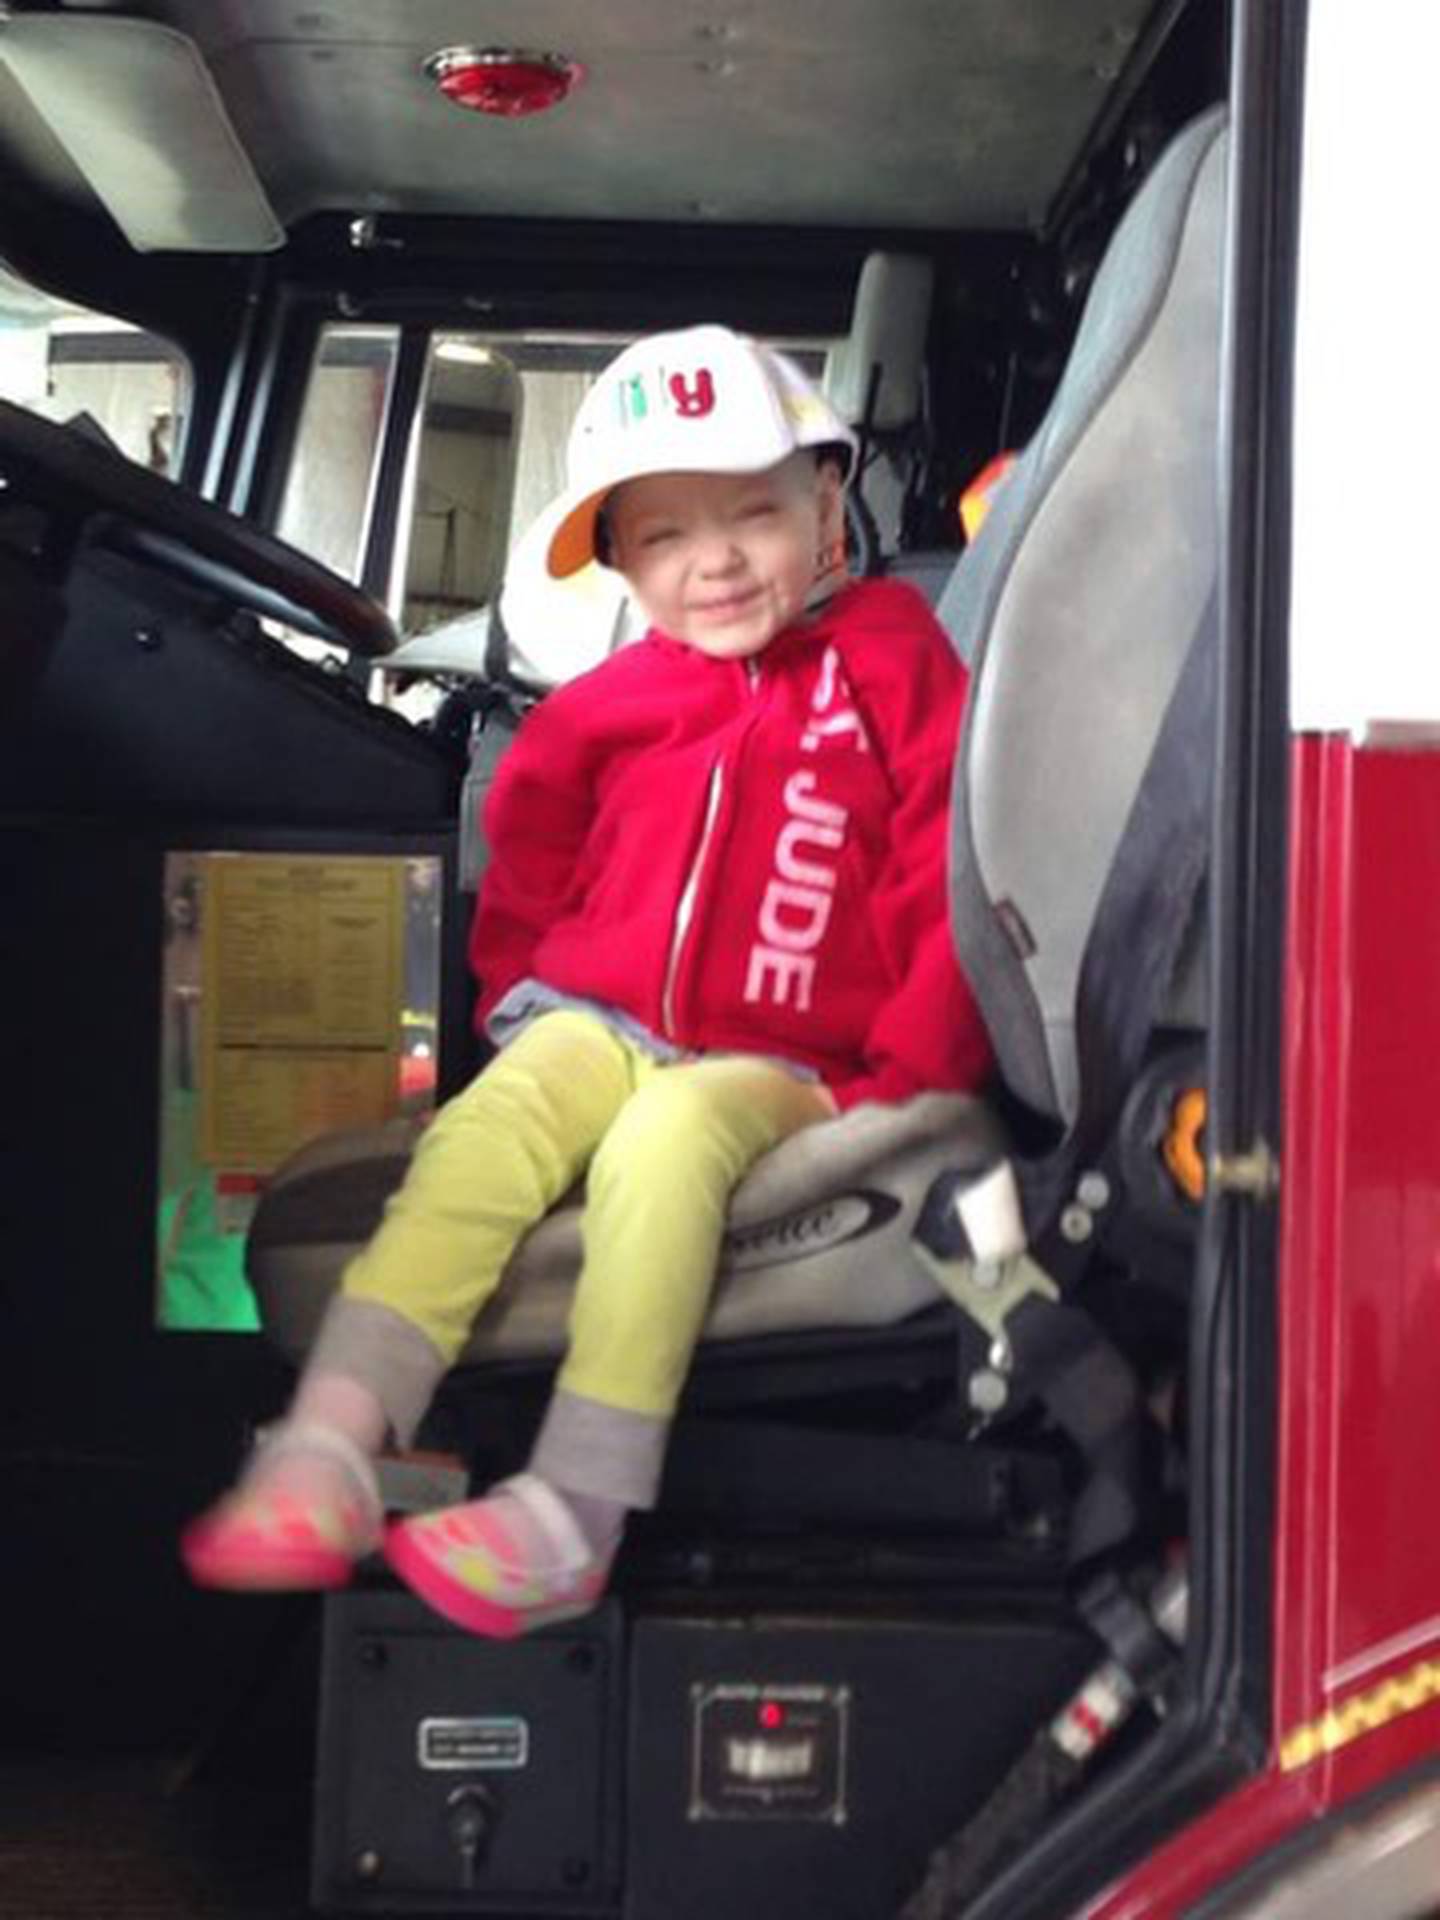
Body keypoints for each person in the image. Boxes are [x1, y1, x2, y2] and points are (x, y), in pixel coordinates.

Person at [181, 324, 992, 1637]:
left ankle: (578, 1507)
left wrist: (910, 1062)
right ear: (617, 559)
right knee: (497, 1123)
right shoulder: (612, 699)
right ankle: (332, 1439)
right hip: (600, 1022)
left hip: (787, 1061)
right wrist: (522, 990)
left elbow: (943, 848)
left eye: (754, 514)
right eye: (663, 536)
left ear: (827, 506)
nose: (715, 559)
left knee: (668, 1137)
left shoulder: (891, 655)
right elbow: (534, 838)